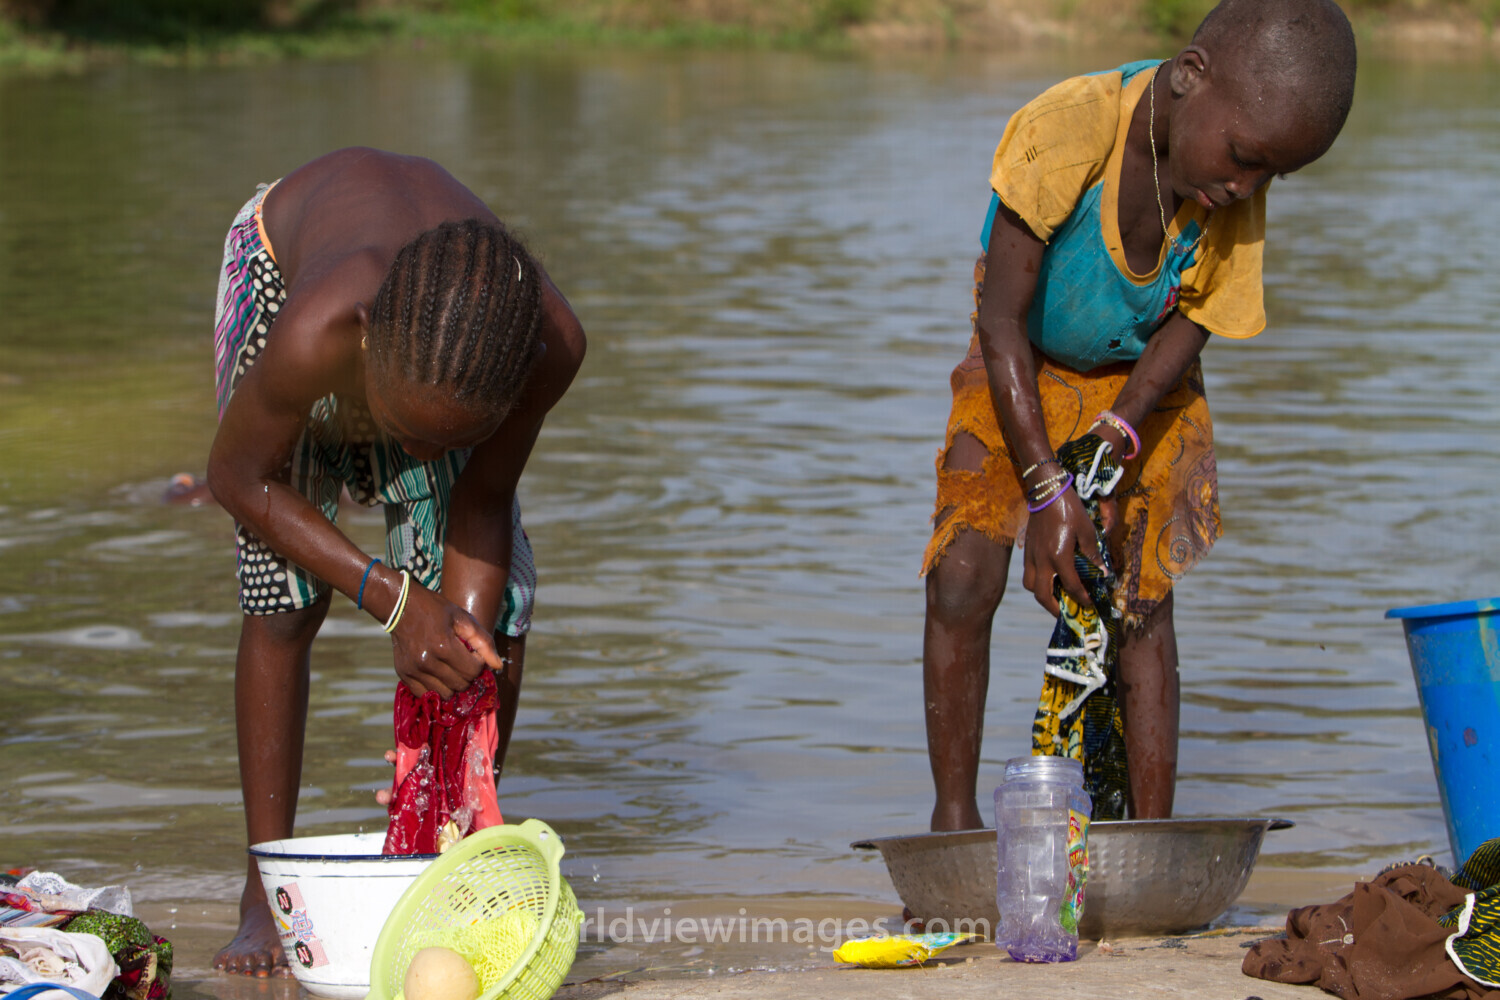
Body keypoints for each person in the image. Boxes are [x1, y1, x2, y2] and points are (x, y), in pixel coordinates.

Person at [921, 0, 1356, 831]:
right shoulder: (1066, 130)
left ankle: (1150, 838)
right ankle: (954, 823)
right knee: (962, 577)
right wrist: (1049, 490)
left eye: (1271, 177)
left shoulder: (1230, 185)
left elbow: (1196, 319)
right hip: (1022, 359)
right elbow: (1002, 320)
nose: (1245, 187)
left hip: (1146, 383)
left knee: (1140, 602)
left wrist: (1119, 431)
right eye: (1244, 160)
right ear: (1191, 76)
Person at [205, 147, 586, 975]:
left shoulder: (543, 345)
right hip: (286, 262)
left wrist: (451, 699)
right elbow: (236, 477)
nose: (411, 455)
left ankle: (454, 855)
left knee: (499, 615)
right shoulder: (315, 329)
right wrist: (390, 597)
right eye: (400, 426)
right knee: (285, 599)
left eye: (441, 442)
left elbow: (478, 505)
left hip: (451, 346)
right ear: (371, 342)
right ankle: (263, 888)